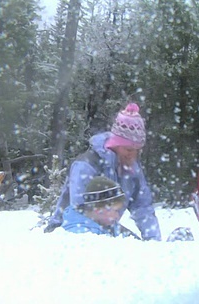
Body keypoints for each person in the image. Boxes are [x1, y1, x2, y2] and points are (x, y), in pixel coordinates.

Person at [45, 103, 162, 241]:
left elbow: (143, 207)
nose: (133, 155)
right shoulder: (86, 165)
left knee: (135, 245)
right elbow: (81, 209)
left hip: (107, 227)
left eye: (137, 150)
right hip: (69, 231)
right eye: (129, 149)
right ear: (116, 145)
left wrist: (153, 241)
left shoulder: (132, 170)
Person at [62, 176, 139, 238]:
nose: (118, 216)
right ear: (98, 209)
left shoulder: (108, 225)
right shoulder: (79, 235)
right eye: (116, 211)